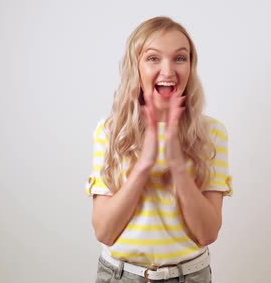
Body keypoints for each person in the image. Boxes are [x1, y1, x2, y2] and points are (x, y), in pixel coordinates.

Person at [85, 16, 232, 283]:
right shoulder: (109, 132)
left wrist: (177, 164)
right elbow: (104, 232)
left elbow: (207, 233)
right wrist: (144, 164)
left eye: (180, 58)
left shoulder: (212, 134)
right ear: (136, 67)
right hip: (120, 276)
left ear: (190, 66)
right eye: (153, 58)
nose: (168, 71)